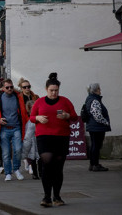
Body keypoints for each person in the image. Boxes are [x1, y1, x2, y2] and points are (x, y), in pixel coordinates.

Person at [30, 72, 78, 208]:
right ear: (46, 90)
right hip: (44, 136)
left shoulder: (65, 101)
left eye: (56, 90)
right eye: (51, 90)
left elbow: (74, 117)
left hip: (61, 136)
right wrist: (38, 118)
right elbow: (32, 117)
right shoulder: (39, 102)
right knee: (47, 162)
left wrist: (67, 115)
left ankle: (57, 196)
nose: (54, 93)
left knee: (58, 167)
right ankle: (46, 197)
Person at [0, 78, 27, 181]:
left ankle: (16, 169)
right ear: (3, 88)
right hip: (3, 129)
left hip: (16, 127)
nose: (10, 89)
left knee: (18, 149)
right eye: (7, 87)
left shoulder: (18, 97)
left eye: (11, 87)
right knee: (5, 153)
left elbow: (23, 112)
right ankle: (8, 173)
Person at [82, 82, 111, 172]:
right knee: (96, 145)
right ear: (96, 90)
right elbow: (97, 115)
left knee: (94, 145)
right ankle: (95, 164)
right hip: (97, 126)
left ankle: (92, 164)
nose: (100, 90)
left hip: (93, 126)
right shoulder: (94, 100)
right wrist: (105, 122)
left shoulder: (90, 99)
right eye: (99, 89)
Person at [22, 99, 40, 180]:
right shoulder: (28, 118)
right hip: (31, 139)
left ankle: (41, 173)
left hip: (38, 138)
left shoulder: (39, 116)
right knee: (32, 157)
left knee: (40, 157)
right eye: (32, 108)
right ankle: (35, 173)